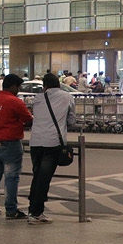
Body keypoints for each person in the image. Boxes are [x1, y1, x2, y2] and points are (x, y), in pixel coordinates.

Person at [26, 72, 73, 224]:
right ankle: (36, 213)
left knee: (37, 176)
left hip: (35, 142)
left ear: (44, 86)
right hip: (52, 143)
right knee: (43, 179)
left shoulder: (38, 98)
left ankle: (32, 210)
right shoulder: (67, 97)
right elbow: (72, 119)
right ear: (59, 85)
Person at [0, 73, 32, 219]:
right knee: (11, 178)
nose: (18, 90)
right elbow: (28, 120)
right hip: (10, 142)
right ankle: (11, 210)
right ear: (13, 86)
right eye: (18, 87)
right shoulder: (15, 102)